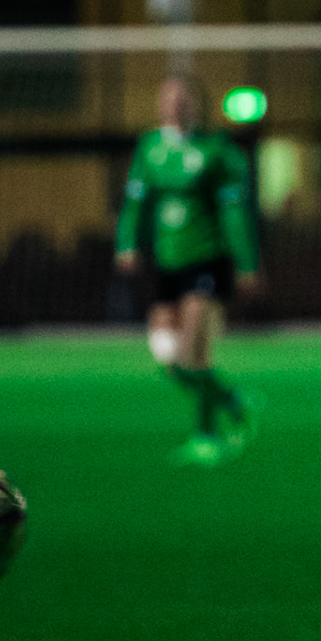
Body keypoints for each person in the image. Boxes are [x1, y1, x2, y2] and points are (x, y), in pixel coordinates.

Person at [114, 74, 260, 466]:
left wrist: (246, 263)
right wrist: (126, 243)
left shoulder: (217, 151)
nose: (176, 104)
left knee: (195, 354)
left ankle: (206, 436)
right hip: (168, 262)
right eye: (168, 97)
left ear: (197, 104)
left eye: (184, 98)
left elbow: (234, 213)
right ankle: (232, 398)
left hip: (207, 260)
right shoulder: (150, 148)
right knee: (169, 362)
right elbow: (134, 203)